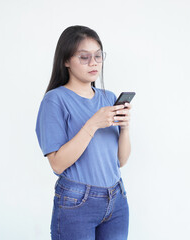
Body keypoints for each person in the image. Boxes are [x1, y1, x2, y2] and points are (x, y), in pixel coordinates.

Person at [36, 25, 132, 240]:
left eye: (98, 56)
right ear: (66, 60)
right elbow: (57, 164)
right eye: (84, 57)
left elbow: (121, 161)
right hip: (77, 203)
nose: (94, 63)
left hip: (116, 199)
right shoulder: (55, 100)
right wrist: (92, 124)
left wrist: (124, 128)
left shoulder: (109, 97)